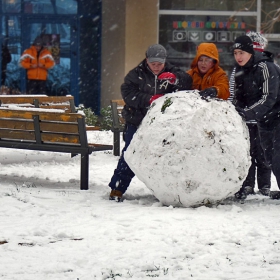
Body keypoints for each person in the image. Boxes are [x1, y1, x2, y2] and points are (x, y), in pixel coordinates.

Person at [108, 43, 193, 202]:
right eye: (153, 64)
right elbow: (128, 94)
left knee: (166, 155)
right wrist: (148, 99)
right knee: (130, 152)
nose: (156, 67)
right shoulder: (135, 74)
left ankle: (167, 190)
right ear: (146, 60)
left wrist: (175, 80)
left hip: (162, 124)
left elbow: (187, 81)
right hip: (137, 120)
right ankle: (118, 187)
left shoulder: (172, 71)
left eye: (159, 64)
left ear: (165, 61)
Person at [232, 35, 280, 200]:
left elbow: (268, 98)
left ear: (251, 52)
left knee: (277, 156)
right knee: (269, 157)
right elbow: (239, 97)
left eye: (242, 52)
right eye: (236, 53)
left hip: (277, 117)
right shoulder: (241, 72)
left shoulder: (266, 67)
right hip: (264, 120)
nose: (238, 57)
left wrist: (247, 113)